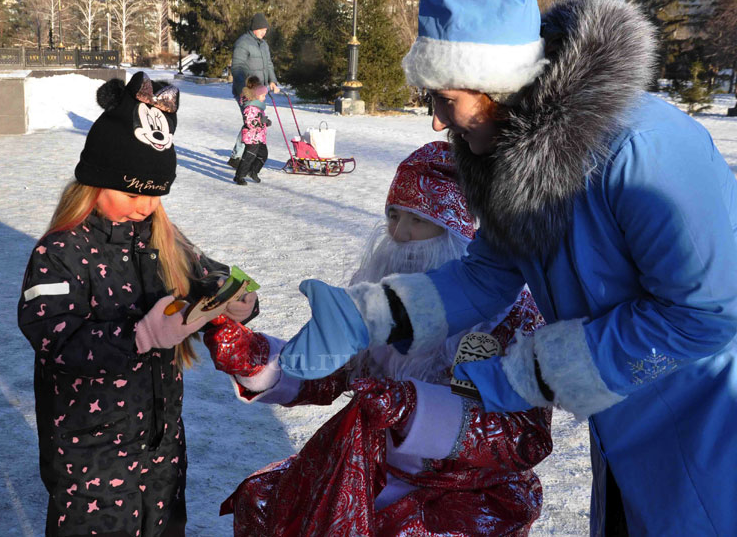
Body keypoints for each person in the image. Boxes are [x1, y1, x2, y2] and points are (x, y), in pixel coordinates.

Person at [278, 0, 737, 535]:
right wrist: (369, 316)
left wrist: (532, 373)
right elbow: (484, 275)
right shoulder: (512, 158)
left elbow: (706, 314)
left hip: (705, 423)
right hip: (624, 423)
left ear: (495, 87)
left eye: (445, 99)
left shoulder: (641, 150)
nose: (436, 119)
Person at [206, 142, 553, 536]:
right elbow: (334, 373)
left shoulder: (511, 318)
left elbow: (526, 436)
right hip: (371, 466)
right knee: (264, 498)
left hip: (468, 490)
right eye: (393, 215)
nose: (400, 235)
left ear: (460, 229)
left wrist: (411, 407)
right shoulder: (375, 293)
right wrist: (256, 359)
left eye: (419, 220)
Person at [17, 72, 259, 537]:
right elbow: (55, 338)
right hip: (90, 456)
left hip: (161, 446)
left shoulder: (160, 237)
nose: (144, 206)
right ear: (94, 181)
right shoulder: (59, 252)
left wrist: (236, 302)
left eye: (155, 195)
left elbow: (208, 278)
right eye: (132, 193)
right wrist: (141, 336)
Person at [228, 13, 279, 168]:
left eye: (266, 29)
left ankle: (240, 155)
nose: (265, 32)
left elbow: (268, 64)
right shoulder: (243, 43)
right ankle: (237, 157)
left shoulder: (263, 44)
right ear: (255, 28)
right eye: (262, 29)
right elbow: (237, 67)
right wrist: (245, 90)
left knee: (253, 123)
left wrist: (273, 81)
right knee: (250, 123)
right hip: (247, 91)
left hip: (260, 92)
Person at [233, 76, 270, 186]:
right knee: (248, 157)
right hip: (251, 137)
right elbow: (249, 122)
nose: (264, 98)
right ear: (256, 95)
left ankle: (253, 171)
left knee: (263, 155)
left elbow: (259, 119)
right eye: (263, 95)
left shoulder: (258, 106)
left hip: (259, 136)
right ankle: (239, 176)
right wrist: (260, 121)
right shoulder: (250, 107)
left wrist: (265, 122)